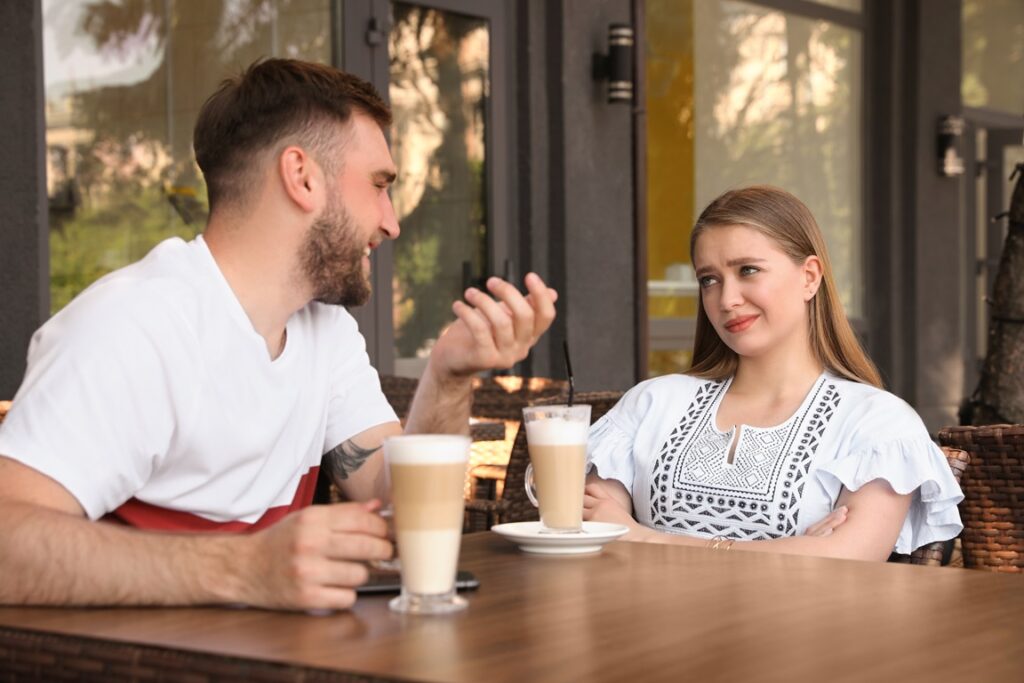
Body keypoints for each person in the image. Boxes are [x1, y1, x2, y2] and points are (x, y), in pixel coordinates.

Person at [0, 59, 557, 610]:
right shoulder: (132, 326)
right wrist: (245, 569)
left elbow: (405, 514)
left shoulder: (325, 330)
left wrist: (449, 374)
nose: (392, 221)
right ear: (302, 176)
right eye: (379, 185)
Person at [584, 186, 963, 560]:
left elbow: (848, 564)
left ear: (810, 277)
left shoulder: (878, 423)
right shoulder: (653, 402)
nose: (727, 299)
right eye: (709, 280)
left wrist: (647, 539)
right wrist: (795, 552)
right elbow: (593, 531)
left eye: (748, 270)